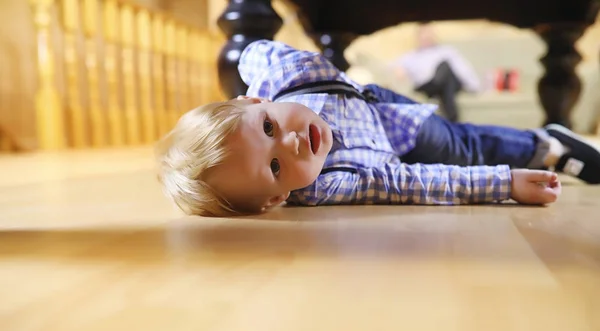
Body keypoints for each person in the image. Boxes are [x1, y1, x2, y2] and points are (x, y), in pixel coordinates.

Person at [155, 39, 600, 218]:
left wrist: (257, 60)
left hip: (382, 106)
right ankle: (550, 150)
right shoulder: (327, 184)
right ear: (277, 198)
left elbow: (255, 49)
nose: (290, 143)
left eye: (269, 126)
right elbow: (412, 183)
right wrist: (504, 184)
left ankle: (544, 142)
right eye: (274, 166)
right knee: (458, 157)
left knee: (462, 140)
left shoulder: (286, 77)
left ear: (256, 101)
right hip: (394, 141)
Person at [391, 23, 481, 122]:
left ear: (434, 36)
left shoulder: (446, 51)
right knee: (447, 83)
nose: (426, 37)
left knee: (445, 68)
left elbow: (463, 69)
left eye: (429, 34)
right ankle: (453, 121)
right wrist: (398, 69)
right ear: (418, 37)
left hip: (444, 84)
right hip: (429, 86)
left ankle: (436, 86)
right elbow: (391, 66)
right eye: (423, 35)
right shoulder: (411, 56)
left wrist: (474, 86)